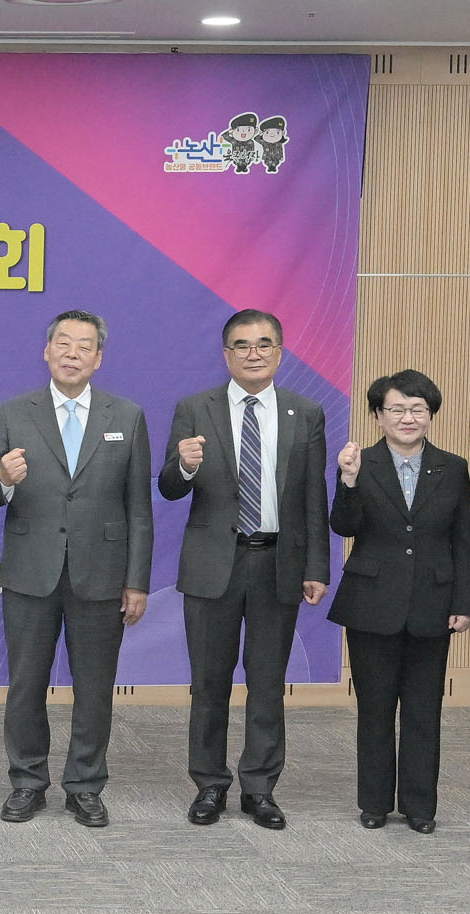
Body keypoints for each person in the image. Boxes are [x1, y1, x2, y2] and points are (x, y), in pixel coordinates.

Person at [0, 310, 152, 828]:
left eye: (84, 346)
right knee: (26, 684)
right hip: (30, 571)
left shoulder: (127, 416)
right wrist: (3, 479)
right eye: (64, 343)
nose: (73, 353)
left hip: (102, 573)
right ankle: (27, 782)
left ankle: (85, 785)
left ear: (99, 358)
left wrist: (136, 580)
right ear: (47, 351)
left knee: (94, 687)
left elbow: (139, 508)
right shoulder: (14, 412)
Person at [158, 308, 328, 830]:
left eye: (263, 344)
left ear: (279, 351)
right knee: (208, 682)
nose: (253, 354)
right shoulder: (195, 409)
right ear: (226, 354)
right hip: (215, 563)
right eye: (242, 345)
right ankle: (209, 784)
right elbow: (169, 486)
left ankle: (260, 788)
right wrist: (185, 465)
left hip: (278, 562)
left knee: (268, 682)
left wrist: (317, 565)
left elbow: (312, 496)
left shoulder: (305, 412)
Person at [329, 369, 470, 835]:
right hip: (371, 603)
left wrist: (466, 602)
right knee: (375, 710)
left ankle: (419, 807)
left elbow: (465, 541)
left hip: (433, 603)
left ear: (430, 414)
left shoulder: (452, 467)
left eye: (418, 409)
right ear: (379, 415)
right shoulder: (360, 463)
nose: (407, 418)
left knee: (423, 711)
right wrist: (347, 481)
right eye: (396, 409)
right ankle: (374, 802)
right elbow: (344, 526)